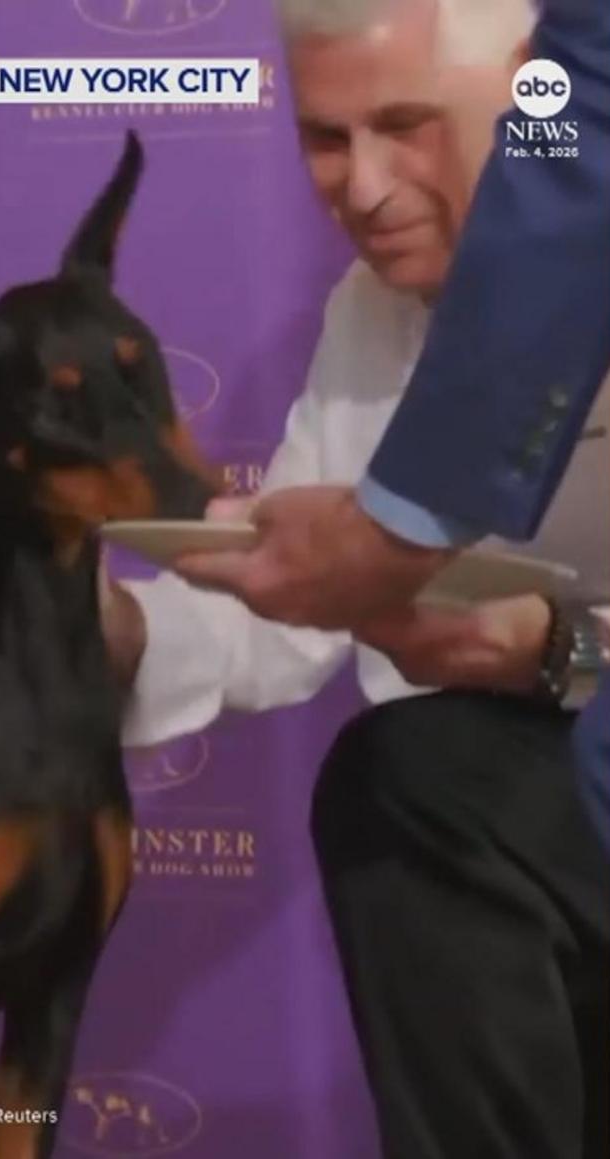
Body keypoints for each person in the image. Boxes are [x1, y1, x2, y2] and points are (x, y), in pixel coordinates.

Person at [106, 2, 610, 1155]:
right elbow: (292, 605)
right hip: (531, 804)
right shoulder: (372, 310)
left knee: (426, 778)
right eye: (325, 139)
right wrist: (108, 630)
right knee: (419, 771)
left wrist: (559, 651)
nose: (365, 189)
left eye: (405, 124)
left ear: (538, 96)